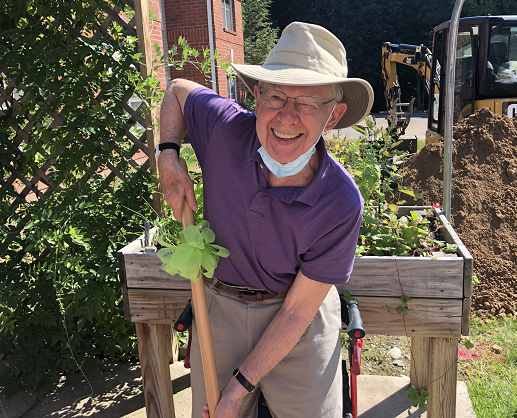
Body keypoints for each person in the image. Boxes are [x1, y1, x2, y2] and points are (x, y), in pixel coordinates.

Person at [157, 22, 373, 418]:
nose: (286, 118)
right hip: (220, 306)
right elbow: (176, 92)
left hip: (297, 320)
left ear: (333, 115)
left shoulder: (340, 202)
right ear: (257, 96)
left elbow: (295, 313)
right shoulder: (225, 131)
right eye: (276, 96)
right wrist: (167, 154)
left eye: (307, 103)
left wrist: (238, 390)